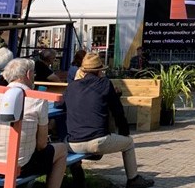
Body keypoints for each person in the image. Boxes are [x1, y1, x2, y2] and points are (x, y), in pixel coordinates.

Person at [63, 53, 154, 188]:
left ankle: (79, 179)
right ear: (100, 70)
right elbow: (118, 111)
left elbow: (61, 105)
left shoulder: (71, 87)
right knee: (128, 143)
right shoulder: (105, 84)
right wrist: (124, 132)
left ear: (83, 70)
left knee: (64, 143)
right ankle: (133, 179)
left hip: (74, 143)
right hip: (98, 141)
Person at [0, 58, 67, 188]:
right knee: (62, 149)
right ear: (28, 74)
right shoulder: (37, 99)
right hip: (20, 165)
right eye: (34, 74)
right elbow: (42, 145)